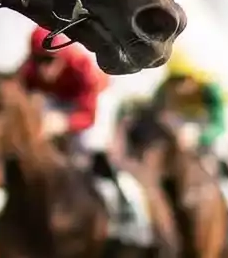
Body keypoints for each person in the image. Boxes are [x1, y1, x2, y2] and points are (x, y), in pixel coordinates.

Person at [16, 25, 147, 243]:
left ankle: (126, 207)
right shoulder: (27, 71)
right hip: (59, 101)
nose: (42, 70)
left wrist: (64, 123)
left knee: (90, 145)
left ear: (62, 56)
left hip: (95, 100)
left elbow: (89, 117)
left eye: (48, 61)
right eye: (38, 61)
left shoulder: (82, 66)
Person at [155, 53, 228, 162]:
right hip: (179, 131)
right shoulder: (164, 89)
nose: (177, 88)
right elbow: (157, 114)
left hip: (208, 134)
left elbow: (220, 126)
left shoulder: (210, 90)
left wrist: (198, 137)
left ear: (192, 78)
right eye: (173, 80)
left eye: (181, 80)